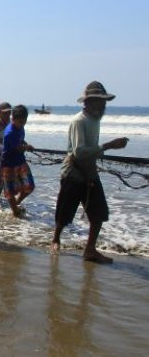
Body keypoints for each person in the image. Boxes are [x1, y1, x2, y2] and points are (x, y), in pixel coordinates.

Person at [51, 81, 129, 263]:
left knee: (99, 213)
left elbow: (91, 149)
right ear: (89, 102)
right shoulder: (79, 121)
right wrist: (109, 145)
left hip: (90, 173)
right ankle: (55, 238)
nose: (103, 106)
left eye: (104, 102)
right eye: (101, 102)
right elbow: (78, 152)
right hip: (73, 173)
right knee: (64, 213)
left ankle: (90, 249)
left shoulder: (95, 120)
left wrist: (105, 148)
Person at [0, 105, 35, 217]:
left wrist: (25, 143)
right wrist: (27, 147)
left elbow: (20, 140)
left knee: (30, 186)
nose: (22, 124)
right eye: (20, 122)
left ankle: (17, 202)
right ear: (13, 119)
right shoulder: (9, 133)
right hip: (8, 164)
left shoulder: (20, 127)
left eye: (24, 122)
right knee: (9, 191)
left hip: (20, 160)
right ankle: (15, 211)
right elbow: (18, 147)